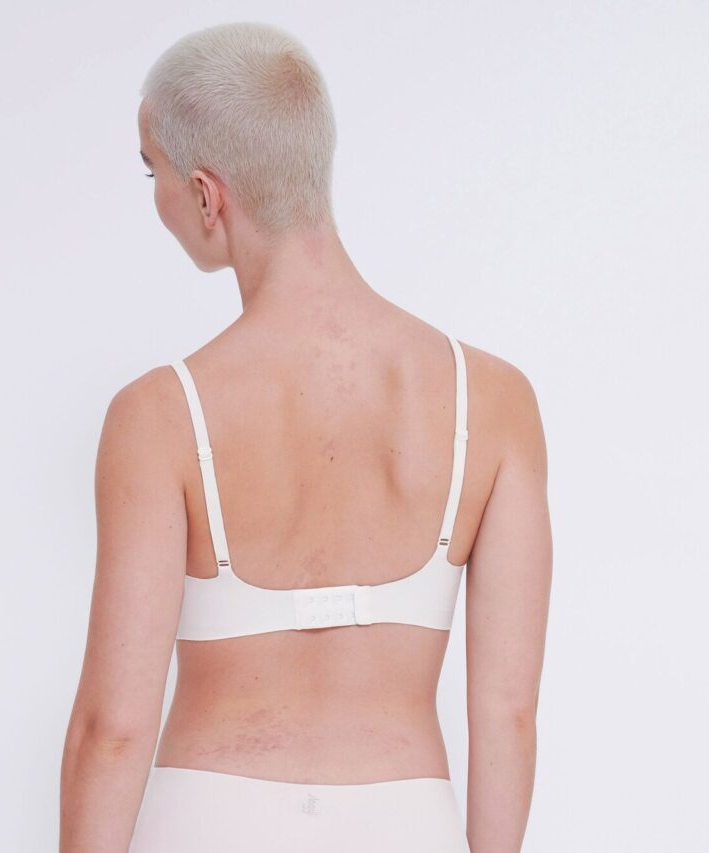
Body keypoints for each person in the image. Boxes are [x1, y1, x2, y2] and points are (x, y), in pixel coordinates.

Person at [59, 21, 552, 853]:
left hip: (206, 822)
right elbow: (509, 713)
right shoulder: (495, 402)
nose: (156, 197)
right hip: (405, 825)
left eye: (154, 170)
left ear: (208, 196)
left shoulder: (158, 416)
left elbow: (113, 728)